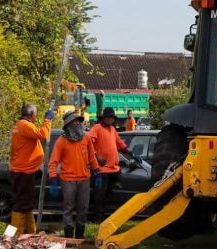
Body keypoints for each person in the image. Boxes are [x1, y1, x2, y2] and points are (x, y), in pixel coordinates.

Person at [47, 111, 101, 239]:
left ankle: (79, 238)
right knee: (68, 209)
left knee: (83, 209)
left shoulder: (86, 138)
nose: (77, 123)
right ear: (68, 124)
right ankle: (69, 238)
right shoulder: (61, 141)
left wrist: (97, 172)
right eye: (74, 121)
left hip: (84, 179)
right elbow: (53, 162)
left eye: (78, 121)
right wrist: (53, 179)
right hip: (68, 180)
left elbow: (92, 157)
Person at [9, 102, 53, 234]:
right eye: (36, 114)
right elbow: (42, 134)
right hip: (23, 171)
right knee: (21, 204)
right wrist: (48, 120)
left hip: (23, 170)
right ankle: (16, 235)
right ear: (32, 114)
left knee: (26, 204)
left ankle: (30, 232)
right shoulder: (24, 125)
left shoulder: (20, 125)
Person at [86, 107, 128, 220]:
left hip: (113, 169)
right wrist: (96, 155)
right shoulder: (97, 128)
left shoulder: (112, 129)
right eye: (108, 117)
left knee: (108, 195)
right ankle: (97, 218)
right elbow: (88, 143)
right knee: (99, 195)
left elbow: (119, 143)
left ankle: (103, 216)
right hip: (101, 170)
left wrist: (130, 152)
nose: (110, 120)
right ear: (104, 118)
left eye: (112, 118)